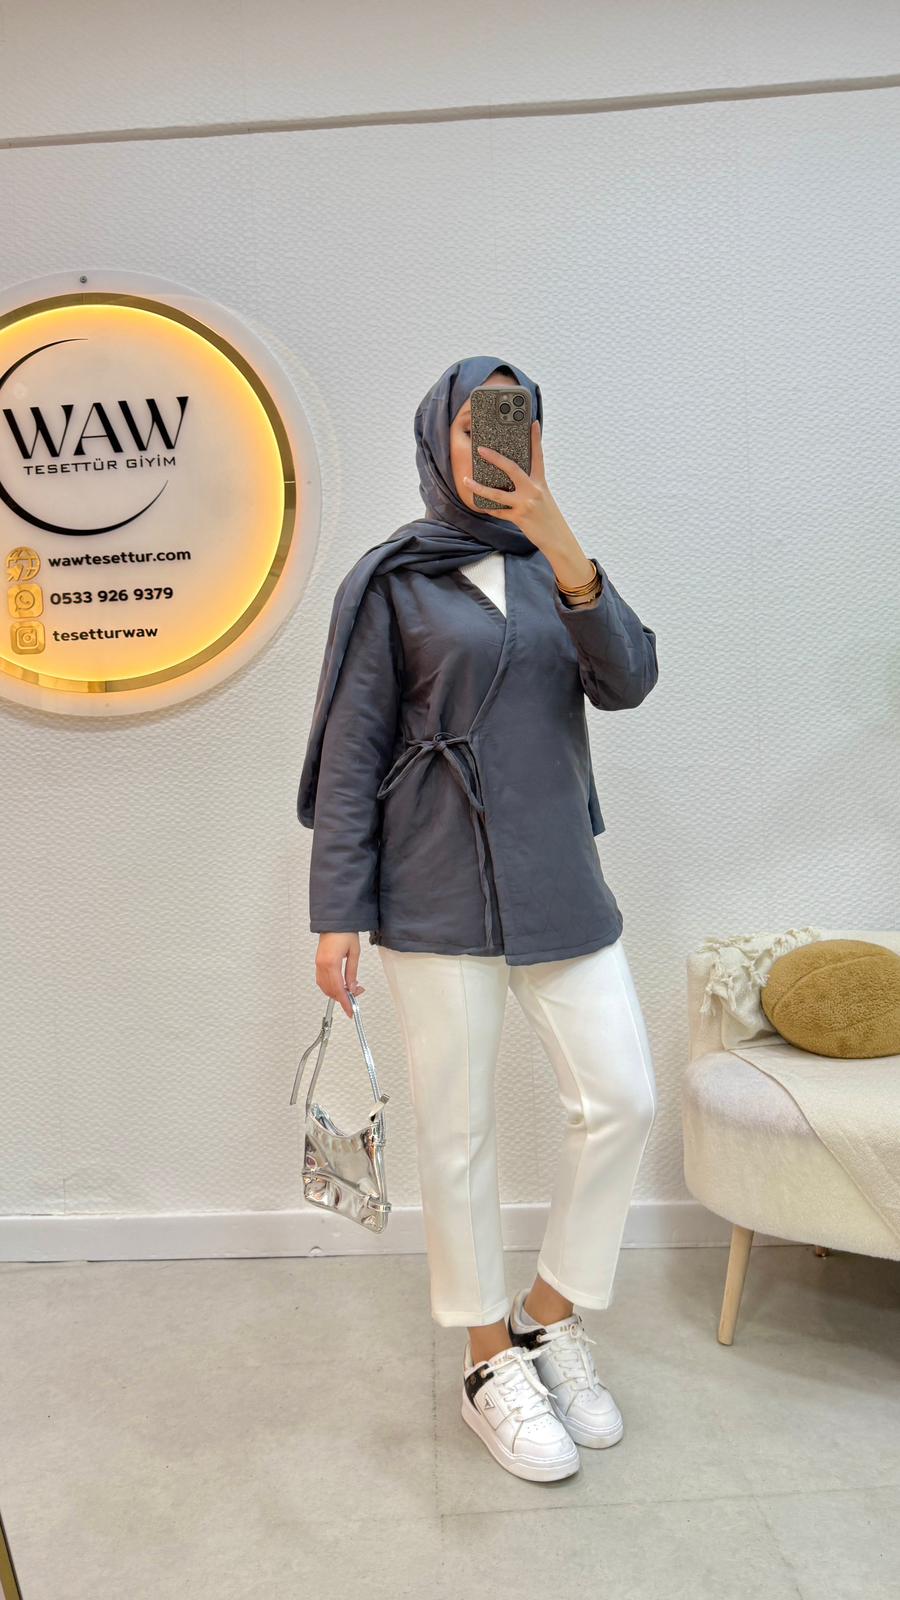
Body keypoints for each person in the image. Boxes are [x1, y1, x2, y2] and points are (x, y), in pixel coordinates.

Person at [298, 357, 659, 1483]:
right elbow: (353, 752)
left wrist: (561, 539)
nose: (495, 440)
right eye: (474, 421)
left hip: (558, 875)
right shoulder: (393, 581)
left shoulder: (561, 569)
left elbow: (629, 680)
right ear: (436, 438)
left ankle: (548, 1314)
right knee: (457, 1134)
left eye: (517, 420)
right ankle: (486, 1359)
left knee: (622, 1099)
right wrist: (337, 909)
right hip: (435, 881)